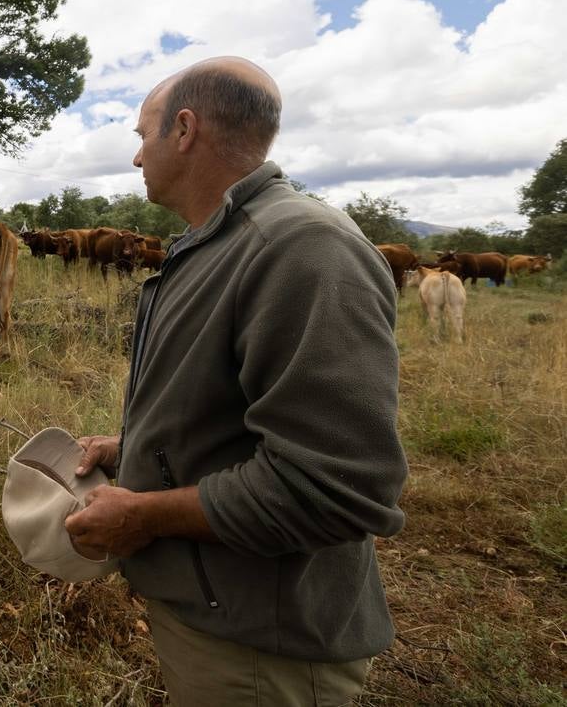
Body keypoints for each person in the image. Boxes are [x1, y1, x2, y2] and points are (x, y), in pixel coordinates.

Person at [63, 56, 407, 706]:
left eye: (141, 137)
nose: (137, 159)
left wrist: (142, 516)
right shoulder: (216, 243)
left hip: (261, 649)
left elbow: (338, 487)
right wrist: (132, 447)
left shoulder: (302, 248)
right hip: (221, 618)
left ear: (183, 129)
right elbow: (238, 415)